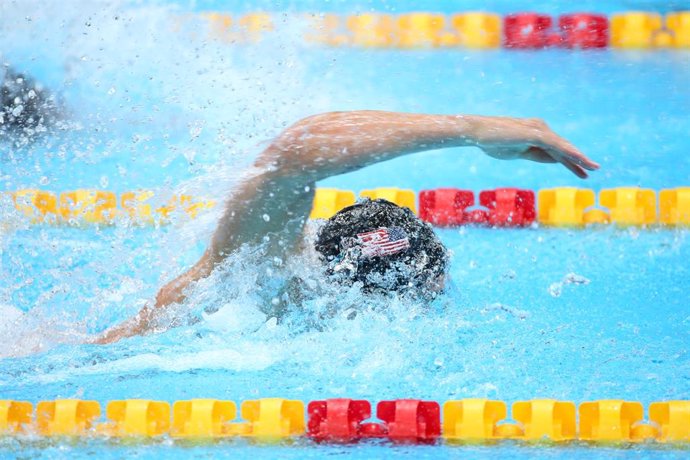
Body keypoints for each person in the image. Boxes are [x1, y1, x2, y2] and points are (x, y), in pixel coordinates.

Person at [95, 111, 599, 344]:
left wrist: (470, 130)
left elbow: (293, 155)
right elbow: (295, 150)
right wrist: (468, 131)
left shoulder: (236, 282)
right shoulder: (273, 296)